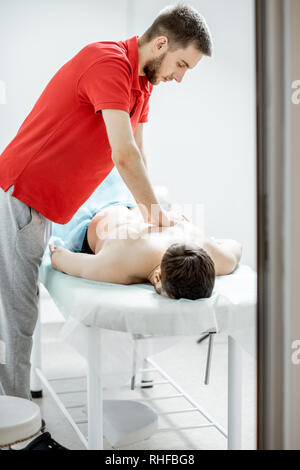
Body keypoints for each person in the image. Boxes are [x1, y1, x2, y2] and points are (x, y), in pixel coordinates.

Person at [0, 3, 213, 449]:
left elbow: (140, 154)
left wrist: (151, 211)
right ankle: (19, 434)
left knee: (19, 311)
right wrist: (152, 214)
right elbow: (124, 156)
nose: (180, 76)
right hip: (22, 195)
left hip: (51, 206)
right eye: (181, 64)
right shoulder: (108, 63)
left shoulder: (143, 84)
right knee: (18, 316)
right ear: (160, 44)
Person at [50, 204, 242, 300]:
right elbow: (59, 257)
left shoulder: (216, 257)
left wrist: (214, 242)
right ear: (158, 278)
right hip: (88, 216)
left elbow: (236, 246)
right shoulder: (117, 265)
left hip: (133, 205)